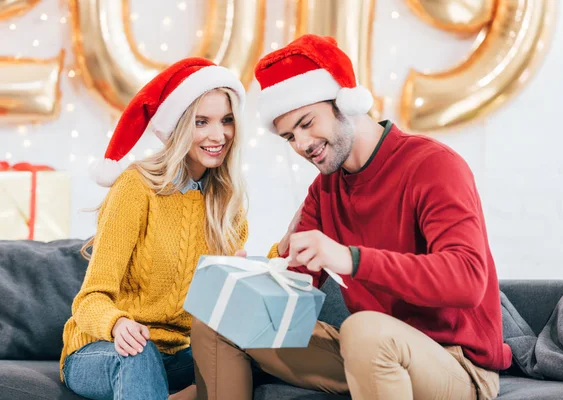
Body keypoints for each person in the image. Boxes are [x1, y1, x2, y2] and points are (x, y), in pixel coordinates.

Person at [191, 34, 512, 400]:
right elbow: (292, 291)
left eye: (307, 122)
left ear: (345, 103)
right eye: (289, 137)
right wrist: (249, 280)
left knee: (364, 330)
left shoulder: (433, 166)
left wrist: (349, 259)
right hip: (368, 353)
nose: (302, 144)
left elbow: (468, 280)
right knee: (220, 320)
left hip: (456, 365)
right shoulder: (323, 190)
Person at [59, 58, 248, 400]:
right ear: (178, 125)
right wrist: (117, 323)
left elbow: (219, 315)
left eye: (227, 121)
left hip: (178, 353)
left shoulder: (227, 207)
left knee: (247, 358)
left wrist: (279, 257)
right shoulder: (137, 187)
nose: (217, 135)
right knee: (138, 353)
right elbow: (89, 300)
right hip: (104, 347)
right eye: (201, 122)